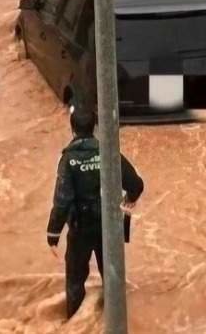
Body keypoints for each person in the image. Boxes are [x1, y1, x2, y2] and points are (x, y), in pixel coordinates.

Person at [46, 109, 144, 319]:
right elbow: (135, 184)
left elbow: (63, 201)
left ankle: (75, 322)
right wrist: (129, 202)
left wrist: (53, 234)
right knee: (112, 275)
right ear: (94, 127)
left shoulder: (69, 160)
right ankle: (116, 319)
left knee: (75, 278)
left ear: (72, 129)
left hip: (81, 227)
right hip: (109, 224)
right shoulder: (108, 152)